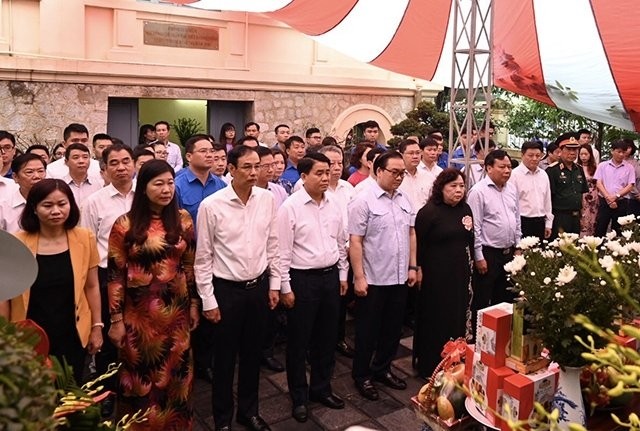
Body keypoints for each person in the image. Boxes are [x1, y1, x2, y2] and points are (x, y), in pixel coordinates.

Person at [195, 145, 281, 431]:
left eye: (258, 166)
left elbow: (273, 244)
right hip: (226, 291)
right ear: (231, 169)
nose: (255, 172)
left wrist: (275, 284)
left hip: (257, 288)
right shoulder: (212, 205)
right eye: (247, 167)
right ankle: (222, 420)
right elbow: (203, 257)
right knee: (224, 360)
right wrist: (208, 299)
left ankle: (249, 411)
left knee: (252, 354)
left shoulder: (267, 200)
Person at [107, 160, 197, 430]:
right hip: (139, 319)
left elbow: (189, 265)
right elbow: (115, 276)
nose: (166, 189)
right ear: (143, 187)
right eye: (158, 183)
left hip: (177, 316)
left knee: (177, 378)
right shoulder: (125, 225)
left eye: (170, 182)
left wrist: (193, 303)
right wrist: (115, 320)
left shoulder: (183, 219)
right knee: (140, 381)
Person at [2, 179, 102, 383]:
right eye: (47, 205)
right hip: (29, 336)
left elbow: (91, 286)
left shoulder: (85, 238)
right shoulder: (18, 243)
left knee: (70, 396)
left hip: (72, 333)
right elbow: (5, 296)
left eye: (62, 204)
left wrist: (97, 326)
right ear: (34, 209)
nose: (56, 211)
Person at [278, 153, 348, 422]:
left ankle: (322, 388)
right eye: (318, 173)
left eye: (327, 172)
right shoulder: (291, 207)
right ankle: (299, 396)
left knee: (327, 337)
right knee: (299, 340)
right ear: (304, 176)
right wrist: (285, 287)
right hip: (302, 279)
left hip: (330, 278)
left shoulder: (334, 203)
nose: (325, 177)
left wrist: (342, 275)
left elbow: (340, 241)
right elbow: (282, 251)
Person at [348, 151, 418, 401]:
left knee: (392, 329)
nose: (399, 177)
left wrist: (413, 266)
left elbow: (411, 234)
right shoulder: (363, 200)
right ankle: (362, 375)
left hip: (399, 276)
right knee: (368, 330)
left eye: (402, 173)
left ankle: (383, 368)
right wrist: (359, 276)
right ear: (378, 171)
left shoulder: (404, 198)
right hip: (374, 278)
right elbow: (355, 240)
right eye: (394, 172)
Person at [80, 142, 136, 417]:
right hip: (105, 276)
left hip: (139, 277)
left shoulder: (145, 197)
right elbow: (87, 246)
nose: (121, 167)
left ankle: (135, 388)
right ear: (104, 170)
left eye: (126, 161)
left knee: (136, 335)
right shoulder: (94, 202)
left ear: (135, 164)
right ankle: (106, 393)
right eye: (114, 163)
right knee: (108, 341)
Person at [414, 169, 473, 379]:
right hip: (435, 274)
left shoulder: (465, 209)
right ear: (441, 188)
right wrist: (417, 267)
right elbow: (418, 243)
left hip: (459, 273)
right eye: (453, 186)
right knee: (435, 317)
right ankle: (430, 364)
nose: (458, 190)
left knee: (456, 316)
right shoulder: (429, 212)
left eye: (461, 186)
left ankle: (454, 361)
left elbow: (470, 240)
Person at [468, 150, 521, 321]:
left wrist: (519, 246)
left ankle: (502, 341)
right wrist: (478, 256)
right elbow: (475, 226)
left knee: (505, 299)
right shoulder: (478, 192)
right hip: (488, 253)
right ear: (489, 168)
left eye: (509, 167)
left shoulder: (511, 189)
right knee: (483, 299)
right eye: (502, 167)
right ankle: (478, 339)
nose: (507, 170)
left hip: (510, 253)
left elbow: (516, 218)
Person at [175, 134, 226, 224]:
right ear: (189, 157)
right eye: (203, 151)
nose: (209, 155)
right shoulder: (177, 186)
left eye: (212, 151)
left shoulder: (221, 185)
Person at [546, 133, 588, 237]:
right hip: (559, 216)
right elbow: (548, 198)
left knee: (574, 248)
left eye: (575, 150)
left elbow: (581, 194)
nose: (572, 152)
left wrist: (583, 216)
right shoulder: (552, 170)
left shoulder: (579, 169)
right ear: (560, 151)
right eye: (568, 149)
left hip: (576, 216)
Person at [510, 141, 553, 241]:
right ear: (522, 155)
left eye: (538, 155)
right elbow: (511, 203)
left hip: (540, 221)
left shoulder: (543, 175)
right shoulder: (514, 175)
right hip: (522, 221)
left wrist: (548, 224)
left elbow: (547, 201)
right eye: (530, 155)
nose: (534, 158)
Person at [593, 139, 635, 236]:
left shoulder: (629, 167)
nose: (621, 154)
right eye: (619, 151)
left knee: (618, 231)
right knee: (600, 228)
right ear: (612, 151)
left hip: (621, 202)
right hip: (604, 201)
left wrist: (616, 196)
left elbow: (630, 185)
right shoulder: (602, 165)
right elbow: (598, 182)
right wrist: (608, 198)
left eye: (623, 152)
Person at [0, 154, 46, 232]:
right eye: (29, 172)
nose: (37, 176)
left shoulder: (56, 201)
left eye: (41, 171)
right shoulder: (3, 207)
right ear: (15, 177)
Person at [398, 139, 431, 212]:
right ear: (401, 155)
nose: (415, 156)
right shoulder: (395, 178)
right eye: (411, 153)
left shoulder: (428, 176)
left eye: (418, 153)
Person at [578, 143, 599, 236]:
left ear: (590, 155)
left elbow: (599, 183)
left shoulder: (595, 168)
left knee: (593, 220)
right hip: (581, 197)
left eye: (586, 154)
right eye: (581, 154)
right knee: (582, 219)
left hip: (593, 197)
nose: (583, 156)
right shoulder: (576, 167)